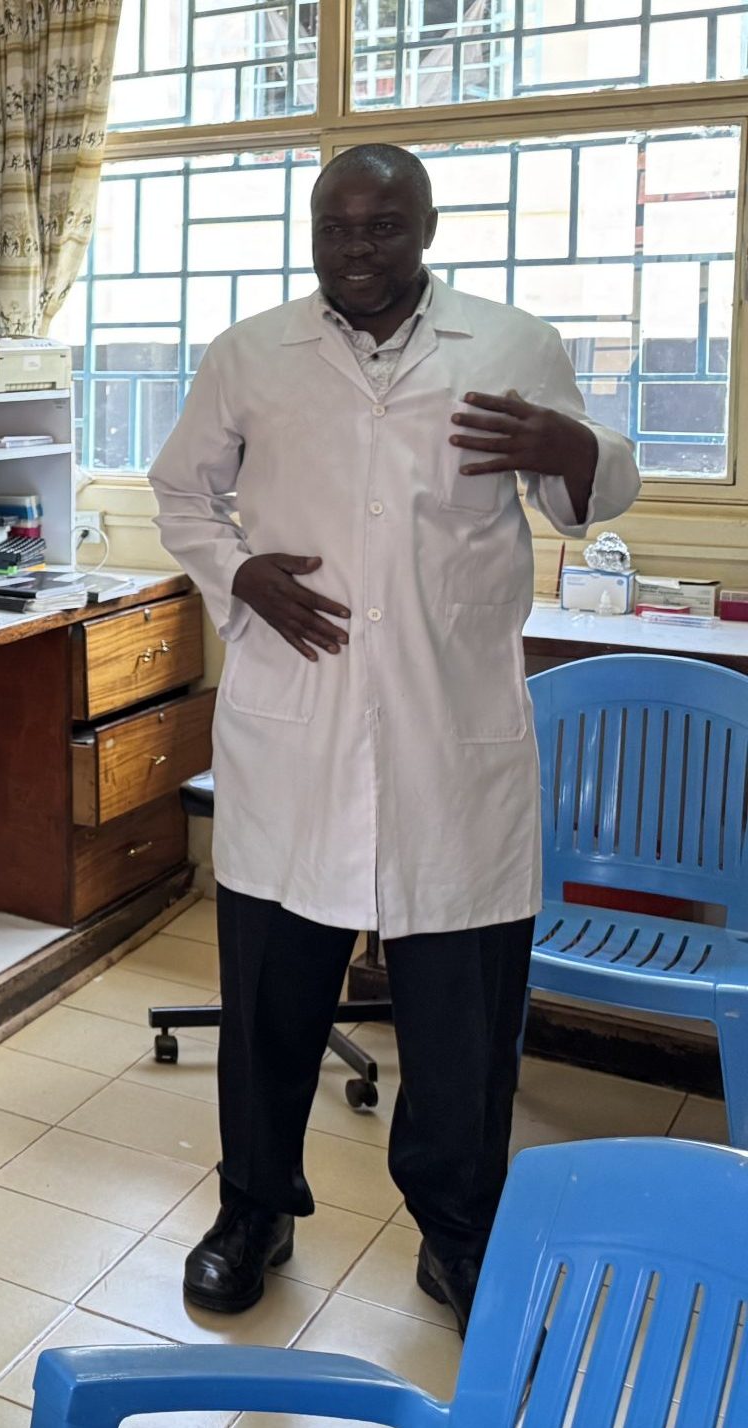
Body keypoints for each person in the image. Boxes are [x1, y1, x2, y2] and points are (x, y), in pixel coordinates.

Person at [148, 144, 640, 1330]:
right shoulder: (251, 352)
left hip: (447, 739)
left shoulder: (510, 344)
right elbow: (178, 491)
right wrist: (237, 572)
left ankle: (459, 1233)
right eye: (335, 226)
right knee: (268, 1004)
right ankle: (252, 1209)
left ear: (425, 226)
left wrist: (574, 452)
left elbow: (592, 491)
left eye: (381, 225)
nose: (355, 248)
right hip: (295, 732)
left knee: (462, 1027)